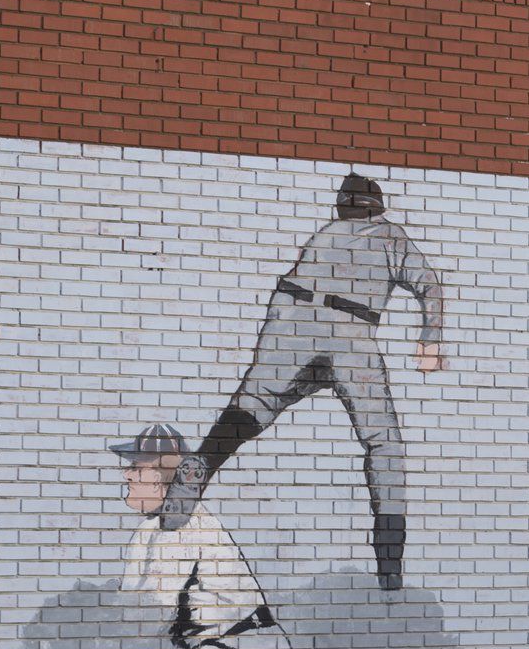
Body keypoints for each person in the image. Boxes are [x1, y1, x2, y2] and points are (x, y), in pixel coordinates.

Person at [160, 173, 445, 590]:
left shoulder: (325, 235)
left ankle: (199, 467)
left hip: (290, 316)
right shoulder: (390, 237)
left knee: (253, 405)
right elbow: (431, 287)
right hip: (350, 330)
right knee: (384, 443)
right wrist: (431, 340)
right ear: (376, 208)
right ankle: (390, 567)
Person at [114, 424, 335, 649]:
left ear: (164, 477)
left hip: (243, 648)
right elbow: (130, 609)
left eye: (136, 467)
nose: (126, 474)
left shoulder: (182, 527)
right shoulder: (151, 529)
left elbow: (150, 614)